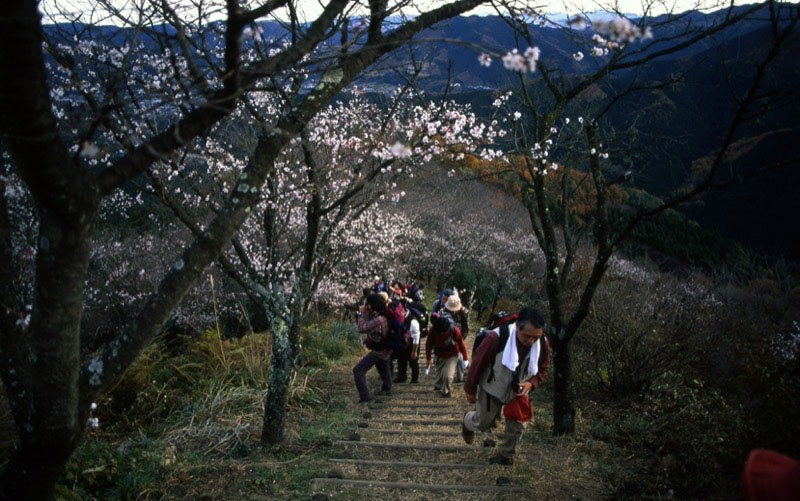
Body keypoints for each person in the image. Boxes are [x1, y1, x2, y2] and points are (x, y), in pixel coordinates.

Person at [461, 307, 550, 465]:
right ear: (517, 326)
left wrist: (532, 383)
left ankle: (506, 455)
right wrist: (470, 389)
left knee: (517, 423)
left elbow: (543, 368)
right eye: (527, 336)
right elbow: (477, 364)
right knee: (483, 423)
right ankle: (468, 422)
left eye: (535, 337)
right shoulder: (495, 338)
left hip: (519, 389)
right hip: (492, 386)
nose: (531, 341)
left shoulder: (542, 343)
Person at [352, 293, 393, 403]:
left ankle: (365, 397)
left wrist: (360, 314)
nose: (366, 306)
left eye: (368, 304)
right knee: (383, 366)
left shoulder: (379, 319)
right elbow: (368, 320)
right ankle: (387, 389)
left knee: (358, 371)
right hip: (385, 348)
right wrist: (364, 311)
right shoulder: (382, 314)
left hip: (379, 350)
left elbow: (362, 328)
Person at [425, 312, 468, 398]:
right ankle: (439, 387)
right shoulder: (433, 330)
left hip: (452, 354)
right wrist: (428, 358)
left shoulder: (454, 330)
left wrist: (465, 358)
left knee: (448, 376)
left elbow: (461, 344)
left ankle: (446, 392)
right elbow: (428, 344)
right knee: (439, 377)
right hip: (439, 353)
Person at [394, 302, 425, 383]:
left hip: (413, 343)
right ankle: (402, 376)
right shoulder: (399, 317)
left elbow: (416, 337)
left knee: (413, 360)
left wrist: (414, 351)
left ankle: (415, 378)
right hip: (403, 342)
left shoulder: (413, 321)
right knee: (401, 359)